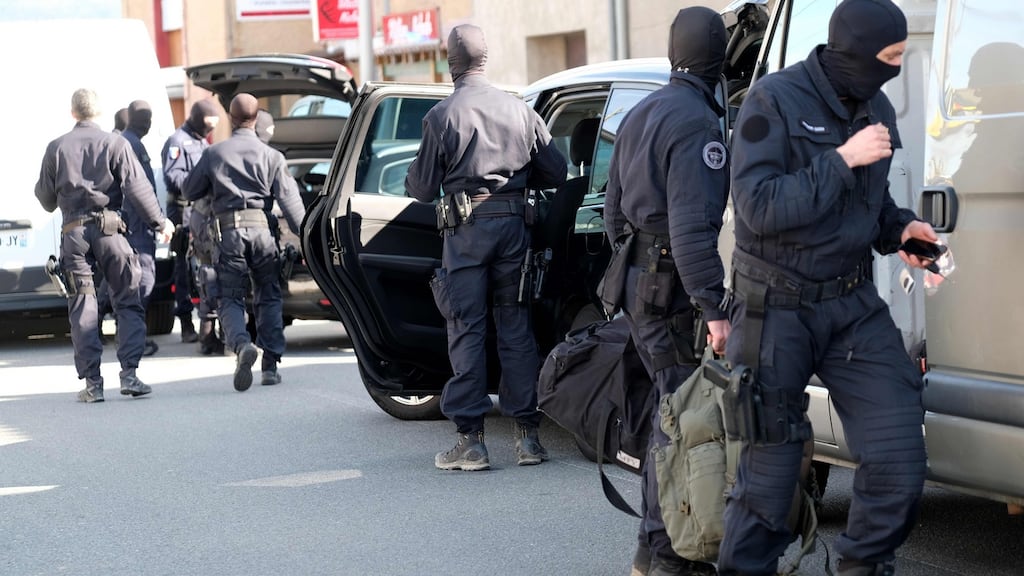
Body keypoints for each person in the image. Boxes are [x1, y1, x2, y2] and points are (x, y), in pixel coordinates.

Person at [719, 1, 935, 574]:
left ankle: (862, 566)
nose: (896, 66)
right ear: (855, 53)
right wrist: (841, 158)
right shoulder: (772, 100)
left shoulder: (876, 103)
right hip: (775, 311)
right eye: (889, 57)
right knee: (770, 486)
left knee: (898, 461)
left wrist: (903, 231)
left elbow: (871, 204)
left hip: (851, 305)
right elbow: (758, 208)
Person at [602, 7, 731, 576]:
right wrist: (714, 306)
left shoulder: (642, 112)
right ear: (720, 60)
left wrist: (633, 269)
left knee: (665, 411)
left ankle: (652, 551)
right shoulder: (699, 124)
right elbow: (692, 227)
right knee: (679, 420)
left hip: (636, 281)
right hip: (670, 288)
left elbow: (610, 213)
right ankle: (669, 553)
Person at [404, 24, 567, 471]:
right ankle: (528, 438)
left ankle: (471, 441)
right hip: (516, 229)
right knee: (517, 328)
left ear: (450, 61)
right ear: (484, 58)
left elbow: (420, 188)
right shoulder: (520, 110)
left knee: (467, 329)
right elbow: (556, 170)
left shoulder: (441, 116)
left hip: (466, 234)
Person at [34, 88, 173, 403]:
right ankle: (130, 375)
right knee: (127, 299)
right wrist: (161, 223)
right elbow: (137, 188)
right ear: (98, 112)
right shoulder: (116, 143)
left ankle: (93, 384)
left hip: (74, 235)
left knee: (83, 305)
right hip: (112, 233)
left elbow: (44, 200)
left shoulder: (56, 147)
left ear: (73, 113)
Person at [182, 93, 305, 392]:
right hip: (263, 233)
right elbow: (292, 204)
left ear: (231, 118)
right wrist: (309, 237)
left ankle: (241, 346)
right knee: (269, 295)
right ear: (255, 119)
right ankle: (271, 365)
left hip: (228, 234)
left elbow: (189, 189)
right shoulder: (273, 156)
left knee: (231, 296)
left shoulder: (215, 154)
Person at [162, 98, 220, 344]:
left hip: (203, 211)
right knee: (184, 268)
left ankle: (208, 319)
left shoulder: (200, 140)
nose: (210, 130)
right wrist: (199, 180)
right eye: (208, 124)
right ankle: (186, 322)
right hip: (183, 211)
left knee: (205, 264)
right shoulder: (178, 141)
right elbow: (172, 176)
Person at [120, 99, 162, 357]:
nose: (148, 124)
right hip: (137, 225)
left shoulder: (128, 141)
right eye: (145, 119)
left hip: (134, 224)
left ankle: (130, 336)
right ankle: (134, 338)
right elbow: (139, 190)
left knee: (128, 282)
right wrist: (156, 220)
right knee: (142, 281)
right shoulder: (131, 144)